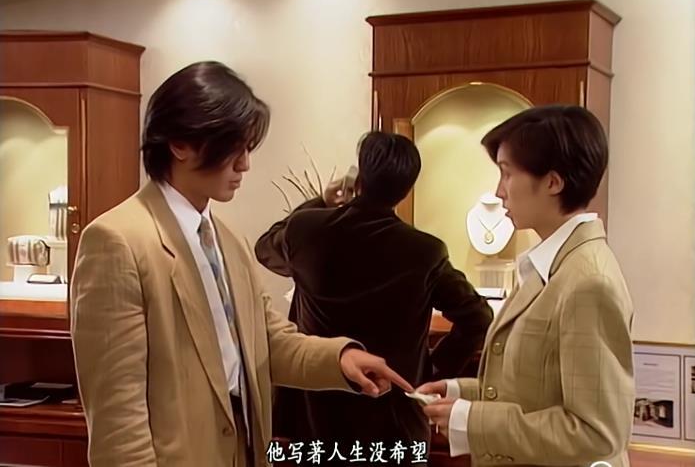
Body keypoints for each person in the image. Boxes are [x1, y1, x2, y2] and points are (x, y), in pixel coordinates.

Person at [70, 61, 412, 467]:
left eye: (248, 148)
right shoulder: (117, 241)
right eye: (234, 147)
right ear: (180, 143)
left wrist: (340, 359)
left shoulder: (227, 240)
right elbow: (118, 422)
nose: (245, 164)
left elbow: (267, 341)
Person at [255, 131, 493, 463]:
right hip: (393, 418)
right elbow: (478, 317)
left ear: (359, 178)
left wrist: (321, 201)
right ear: (407, 189)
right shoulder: (425, 251)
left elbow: (265, 249)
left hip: (314, 414)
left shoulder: (307, 230)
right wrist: (432, 370)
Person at [417, 105, 635, 467]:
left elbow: (596, 432)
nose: (498, 191)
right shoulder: (549, 265)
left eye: (507, 173)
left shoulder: (588, 282)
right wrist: (460, 392)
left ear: (553, 182)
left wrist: (471, 419)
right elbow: (535, 389)